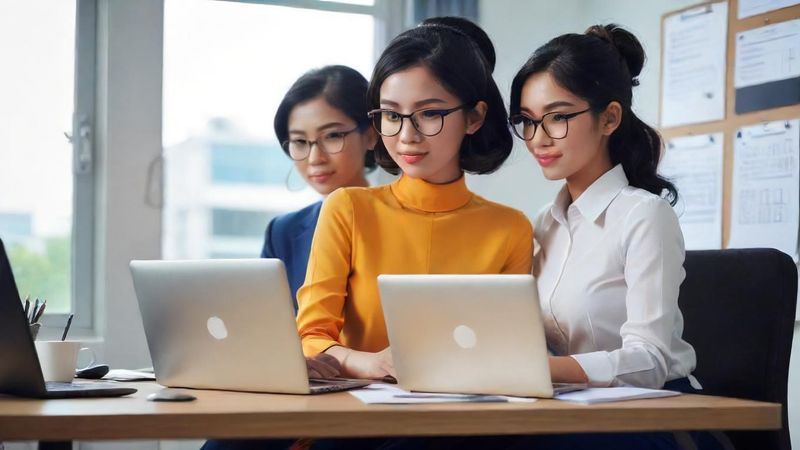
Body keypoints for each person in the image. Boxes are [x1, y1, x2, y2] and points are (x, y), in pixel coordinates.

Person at [500, 23, 713, 450]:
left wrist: (547, 369)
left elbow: (650, 361)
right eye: (527, 121)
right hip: (574, 409)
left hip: (656, 415)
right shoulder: (544, 221)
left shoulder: (644, 215)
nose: (538, 138)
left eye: (558, 117)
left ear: (610, 118)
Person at [295, 16, 532, 382]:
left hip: (457, 418)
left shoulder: (510, 228)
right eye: (392, 114)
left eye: (430, 113)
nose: (407, 135)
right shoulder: (348, 208)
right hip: (355, 415)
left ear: (474, 117)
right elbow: (310, 337)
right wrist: (368, 363)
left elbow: (507, 349)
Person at [262, 65, 378, 311]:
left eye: (332, 136)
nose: (315, 157)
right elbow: (265, 323)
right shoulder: (283, 232)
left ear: (370, 135)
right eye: (300, 141)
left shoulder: (405, 221)